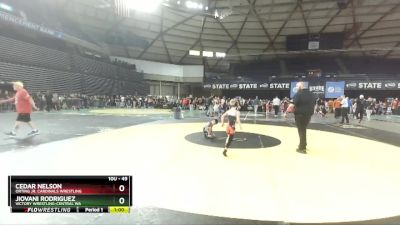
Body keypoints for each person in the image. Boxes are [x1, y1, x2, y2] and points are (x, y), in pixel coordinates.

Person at [293, 82, 315, 154]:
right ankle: (303, 144)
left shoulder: (298, 94)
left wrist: (286, 112)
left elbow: (294, 103)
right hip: (308, 115)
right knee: (304, 129)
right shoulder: (311, 94)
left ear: (300, 86)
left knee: (301, 131)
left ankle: (302, 148)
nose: (296, 88)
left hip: (300, 115)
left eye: (297, 87)